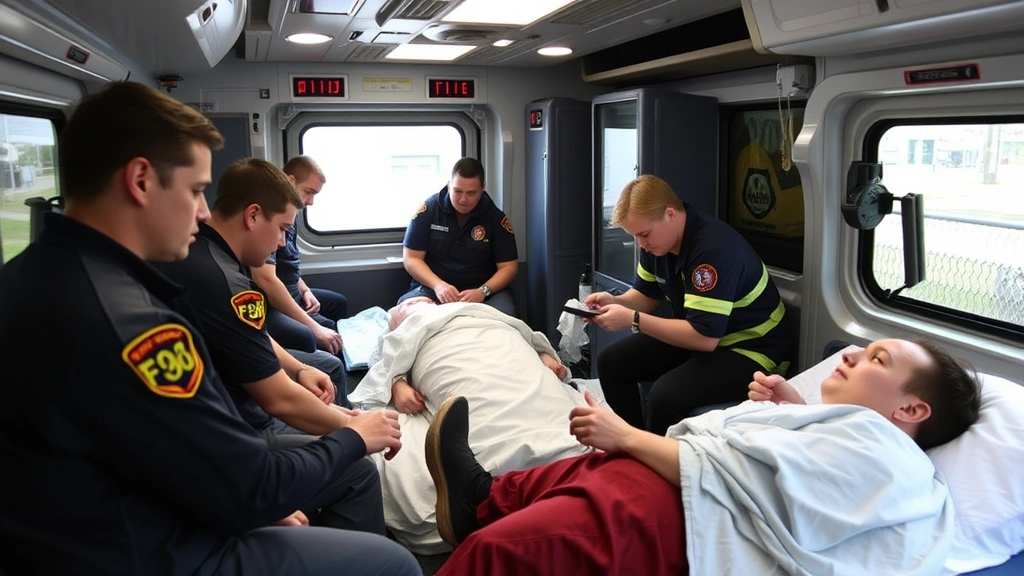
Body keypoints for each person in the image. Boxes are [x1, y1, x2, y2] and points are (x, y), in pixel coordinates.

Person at [0, 81, 418, 575]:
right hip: (148, 551)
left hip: (79, 528)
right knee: (394, 564)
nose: (203, 212)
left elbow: (135, 445)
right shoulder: (134, 326)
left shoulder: (27, 275)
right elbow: (252, 486)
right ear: (140, 180)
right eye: (196, 190)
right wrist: (354, 436)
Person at [426, 339, 981, 576]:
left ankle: (480, 525)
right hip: (684, 492)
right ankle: (480, 499)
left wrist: (627, 435)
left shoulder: (889, 456)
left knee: (500, 553)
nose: (853, 354)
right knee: (587, 470)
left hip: (690, 519)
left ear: (911, 409)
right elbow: (797, 474)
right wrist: (794, 411)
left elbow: (745, 479)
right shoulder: (856, 435)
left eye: (877, 360)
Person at [348, 297, 591, 553]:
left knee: (541, 397)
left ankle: (524, 486)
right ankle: (535, 484)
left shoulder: (478, 313)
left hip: (497, 340)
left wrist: (542, 356)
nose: (413, 303)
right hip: (446, 354)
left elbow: (523, 335)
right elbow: (385, 368)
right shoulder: (405, 334)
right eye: (401, 308)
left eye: (419, 301)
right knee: (480, 406)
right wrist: (397, 385)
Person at [156, 158, 361, 443]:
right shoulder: (226, 282)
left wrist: (299, 369)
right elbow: (278, 401)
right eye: (280, 228)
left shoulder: (211, 251)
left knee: (325, 369)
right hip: (240, 426)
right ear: (252, 215)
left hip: (231, 395)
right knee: (359, 464)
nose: (281, 242)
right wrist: (354, 428)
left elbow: (256, 333)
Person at [584, 174, 793, 435]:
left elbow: (705, 338)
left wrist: (633, 319)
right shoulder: (656, 246)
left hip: (753, 347)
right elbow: (648, 294)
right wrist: (616, 302)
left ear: (670, 214)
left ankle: (656, 454)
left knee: (664, 397)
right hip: (707, 333)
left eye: (644, 234)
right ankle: (631, 442)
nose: (641, 245)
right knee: (611, 362)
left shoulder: (714, 251)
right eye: (635, 236)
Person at [250, 155, 348, 356]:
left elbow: (287, 266)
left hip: (293, 290)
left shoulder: (290, 217)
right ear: (290, 181)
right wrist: (315, 327)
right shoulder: (271, 218)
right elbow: (266, 279)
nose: (310, 202)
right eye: (308, 192)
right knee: (328, 332)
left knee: (339, 303)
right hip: (274, 303)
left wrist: (305, 291)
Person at [400, 157, 519, 317]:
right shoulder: (429, 210)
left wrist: (483, 291)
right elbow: (411, 258)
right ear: (449, 185)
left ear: (483, 188)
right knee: (410, 317)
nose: (463, 199)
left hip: (483, 290)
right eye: (457, 191)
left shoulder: (495, 218)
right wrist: (438, 285)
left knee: (502, 322)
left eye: (471, 193)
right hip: (432, 288)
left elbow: (509, 267)